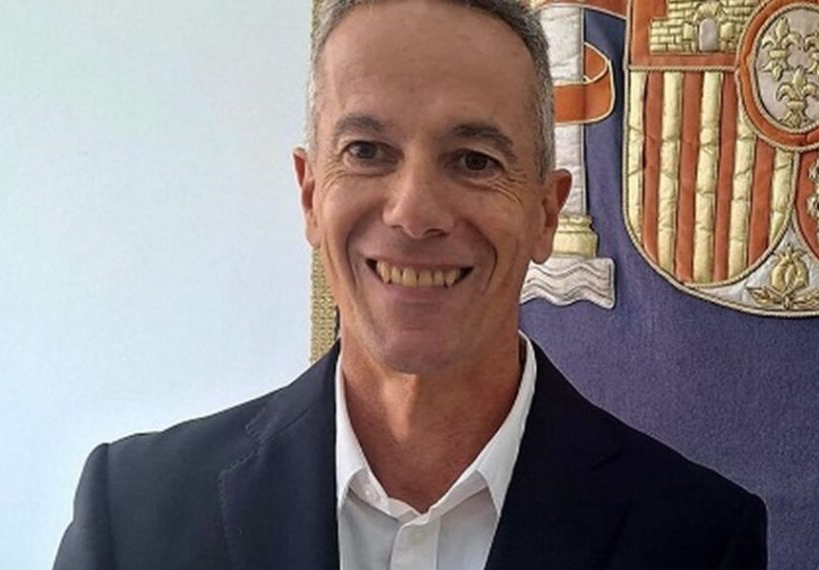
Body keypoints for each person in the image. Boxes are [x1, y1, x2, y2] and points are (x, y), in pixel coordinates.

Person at [53, 0, 767, 568]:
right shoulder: (135, 513)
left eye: (474, 160)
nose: (414, 211)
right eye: (367, 151)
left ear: (547, 214)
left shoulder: (697, 539)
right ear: (310, 195)